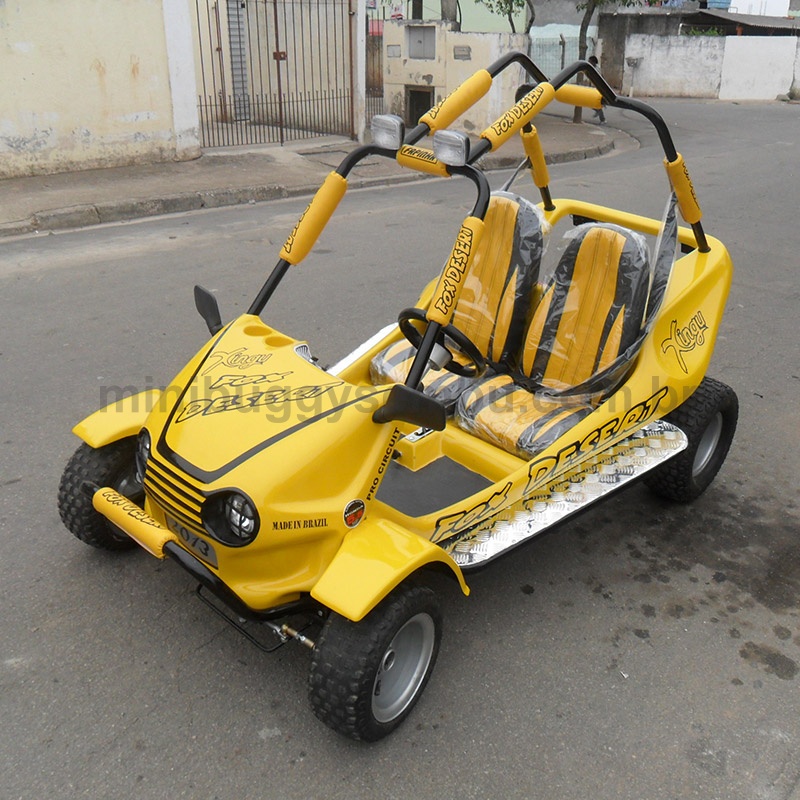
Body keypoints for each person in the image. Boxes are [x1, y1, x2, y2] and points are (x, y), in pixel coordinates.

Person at [588, 56, 606, 124]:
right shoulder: (592, 68)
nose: (589, 62)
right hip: (594, 88)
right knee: (591, 102)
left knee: (595, 103)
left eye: (590, 61)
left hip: (598, 88)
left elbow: (599, 79)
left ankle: (603, 119)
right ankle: (598, 111)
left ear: (593, 62)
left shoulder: (596, 69)